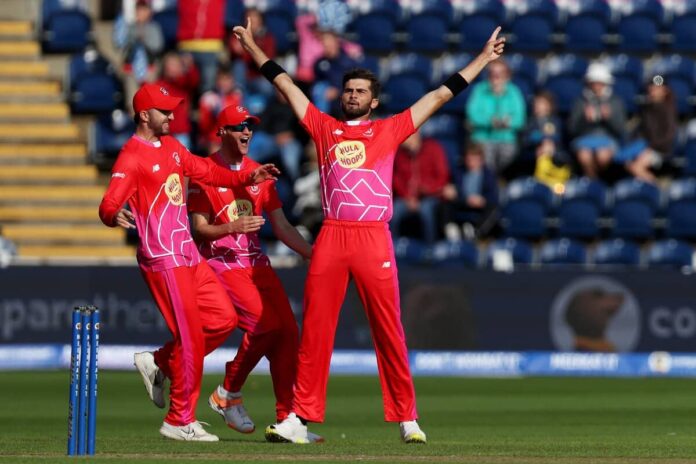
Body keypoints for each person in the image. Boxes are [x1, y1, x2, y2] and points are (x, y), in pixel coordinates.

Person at [232, 18, 505, 444]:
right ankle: (298, 419)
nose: (353, 96)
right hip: (332, 235)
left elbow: (439, 94)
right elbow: (285, 84)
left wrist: (483, 59)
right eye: (349, 90)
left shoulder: (390, 129)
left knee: (388, 327)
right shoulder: (324, 128)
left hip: (372, 235)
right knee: (316, 329)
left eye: (361, 92)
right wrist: (252, 46)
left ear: (374, 101)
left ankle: (407, 417)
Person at [98, 83, 279, 441]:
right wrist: (112, 214)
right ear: (144, 115)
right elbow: (108, 203)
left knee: (224, 319)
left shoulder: (173, 146)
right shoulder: (131, 156)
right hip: (163, 258)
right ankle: (179, 420)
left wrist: (247, 176)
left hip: (189, 255)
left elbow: (208, 173)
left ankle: (161, 361)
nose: (170, 115)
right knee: (192, 338)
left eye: (171, 110)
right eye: (164, 111)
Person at [184, 104, 317, 440]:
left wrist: (312, 255)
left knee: (287, 333)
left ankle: (289, 422)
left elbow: (282, 225)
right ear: (221, 132)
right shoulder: (203, 172)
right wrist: (234, 225)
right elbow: (198, 230)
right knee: (264, 324)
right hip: (223, 264)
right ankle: (227, 392)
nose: (246, 133)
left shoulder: (259, 172)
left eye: (250, 127)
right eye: (238, 127)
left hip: (257, 264)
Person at [465, 58, 526, 175]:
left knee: (510, 156)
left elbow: (520, 119)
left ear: (507, 75)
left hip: (507, 138)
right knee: (484, 156)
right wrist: (489, 121)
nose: (496, 77)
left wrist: (508, 123)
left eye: (500, 74)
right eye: (493, 74)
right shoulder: (479, 90)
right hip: (482, 137)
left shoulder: (514, 92)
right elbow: (472, 115)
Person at [568, 62, 626, 179]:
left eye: (600, 83)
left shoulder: (615, 101)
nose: (597, 86)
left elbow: (621, 130)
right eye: (594, 83)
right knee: (585, 157)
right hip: (584, 139)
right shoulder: (580, 101)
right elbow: (572, 129)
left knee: (602, 156)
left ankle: (598, 182)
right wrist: (584, 119)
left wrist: (609, 118)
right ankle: (593, 181)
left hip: (607, 140)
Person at [391, 130, 451, 244]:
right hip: (407, 198)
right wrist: (407, 197)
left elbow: (442, 176)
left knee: (426, 210)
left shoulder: (433, 148)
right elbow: (396, 179)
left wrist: (426, 189)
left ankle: (430, 248)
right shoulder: (400, 153)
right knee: (394, 211)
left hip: (429, 196)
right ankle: (392, 247)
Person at [441, 143, 499, 241]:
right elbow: (453, 190)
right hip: (462, 202)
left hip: (480, 205)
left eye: (475, 159)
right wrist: (465, 199)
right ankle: (450, 229)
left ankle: (476, 233)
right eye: (469, 159)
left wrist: (482, 200)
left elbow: (493, 196)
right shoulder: (458, 172)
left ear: (481, 160)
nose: (472, 162)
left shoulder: (488, 175)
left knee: (493, 209)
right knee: (443, 204)